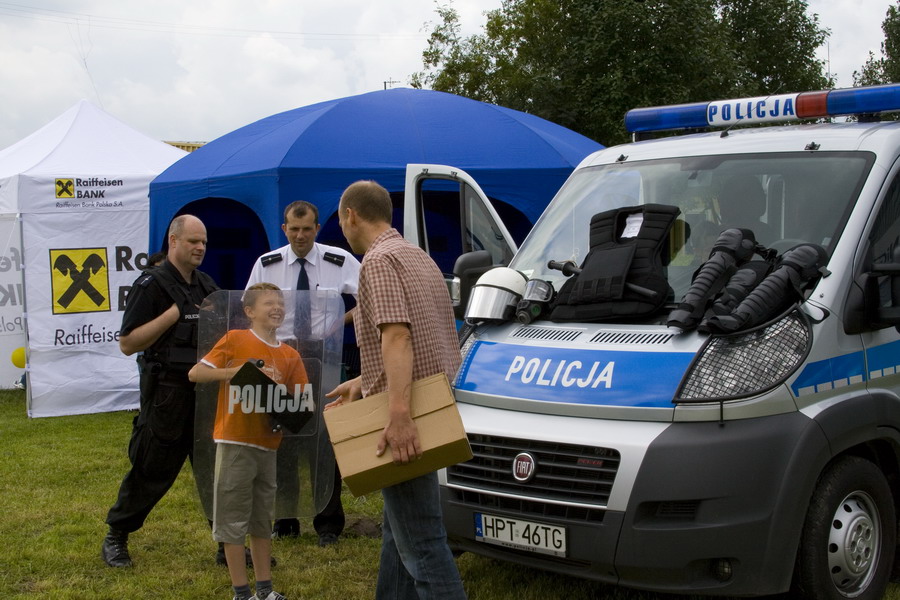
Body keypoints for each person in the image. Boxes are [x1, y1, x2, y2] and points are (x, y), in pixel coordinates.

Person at [326, 180, 466, 599]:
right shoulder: (417, 256)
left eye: (339, 218)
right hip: (436, 404)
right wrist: (363, 381)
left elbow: (398, 337)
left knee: (423, 545)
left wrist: (399, 415)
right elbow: (424, 339)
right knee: (399, 531)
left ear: (351, 215)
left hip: (407, 417)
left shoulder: (377, 260)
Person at [101, 214, 219, 568]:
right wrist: (169, 317)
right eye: (193, 241)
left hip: (205, 392)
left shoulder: (206, 285)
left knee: (217, 471)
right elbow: (127, 343)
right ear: (173, 241)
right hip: (167, 393)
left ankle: (227, 544)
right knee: (151, 469)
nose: (199, 248)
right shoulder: (150, 285)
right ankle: (116, 535)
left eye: (203, 243)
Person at [246, 200, 360, 546]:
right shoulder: (267, 265)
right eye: (293, 230)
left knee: (324, 443)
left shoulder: (338, 262)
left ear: (317, 228)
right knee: (282, 442)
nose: (300, 236)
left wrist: (339, 323)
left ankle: (328, 524)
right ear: (284, 230)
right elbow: (248, 308)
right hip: (281, 360)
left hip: (323, 359)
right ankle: (286, 519)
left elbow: (370, 297)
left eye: (306, 229)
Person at [189, 283, 308, 600]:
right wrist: (232, 373)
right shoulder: (236, 340)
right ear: (249, 311)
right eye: (269, 302)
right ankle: (241, 592)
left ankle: (265, 590)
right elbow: (196, 373)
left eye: (280, 303)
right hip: (235, 442)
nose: (277, 308)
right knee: (232, 518)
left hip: (268, 446)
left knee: (260, 519)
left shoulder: (290, 353)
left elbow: (300, 402)